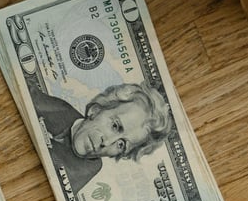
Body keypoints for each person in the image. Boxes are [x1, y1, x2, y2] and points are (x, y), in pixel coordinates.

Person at [30, 81, 173, 193]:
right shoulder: (61, 109)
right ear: (95, 110)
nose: (108, 142)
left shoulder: (87, 167)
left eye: (121, 144)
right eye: (115, 126)